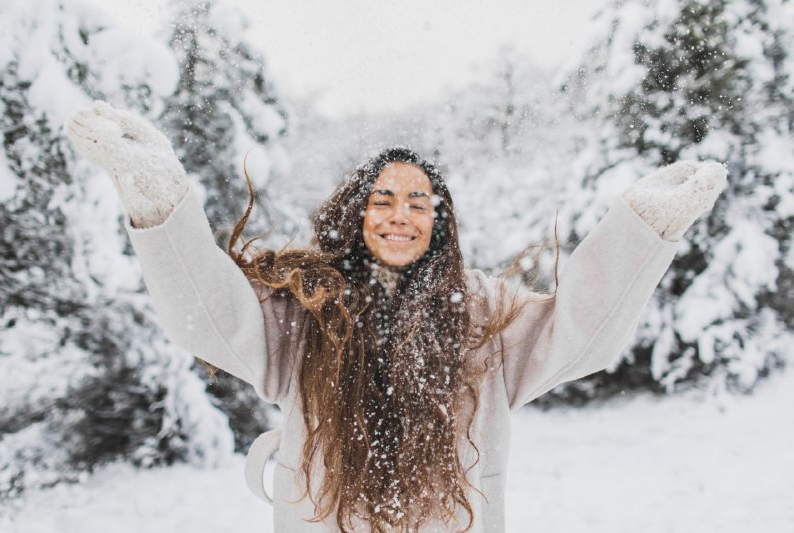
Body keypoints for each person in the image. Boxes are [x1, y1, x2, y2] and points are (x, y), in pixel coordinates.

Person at [66, 101, 726, 532]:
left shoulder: (486, 315)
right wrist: (156, 196)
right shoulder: (306, 311)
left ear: (439, 220)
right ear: (358, 213)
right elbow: (206, 316)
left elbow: (582, 335)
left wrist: (644, 226)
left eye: (419, 200)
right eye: (383, 198)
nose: (400, 213)